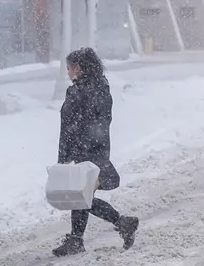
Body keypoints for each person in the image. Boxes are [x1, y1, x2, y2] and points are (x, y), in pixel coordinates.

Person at [53, 48, 140, 256]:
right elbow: (102, 122)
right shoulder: (102, 87)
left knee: (81, 197)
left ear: (78, 68)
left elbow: (68, 127)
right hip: (98, 149)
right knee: (82, 196)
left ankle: (120, 223)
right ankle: (77, 239)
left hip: (83, 152)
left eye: (69, 68)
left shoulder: (77, 92)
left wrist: (64, 158)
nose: (68, 73)